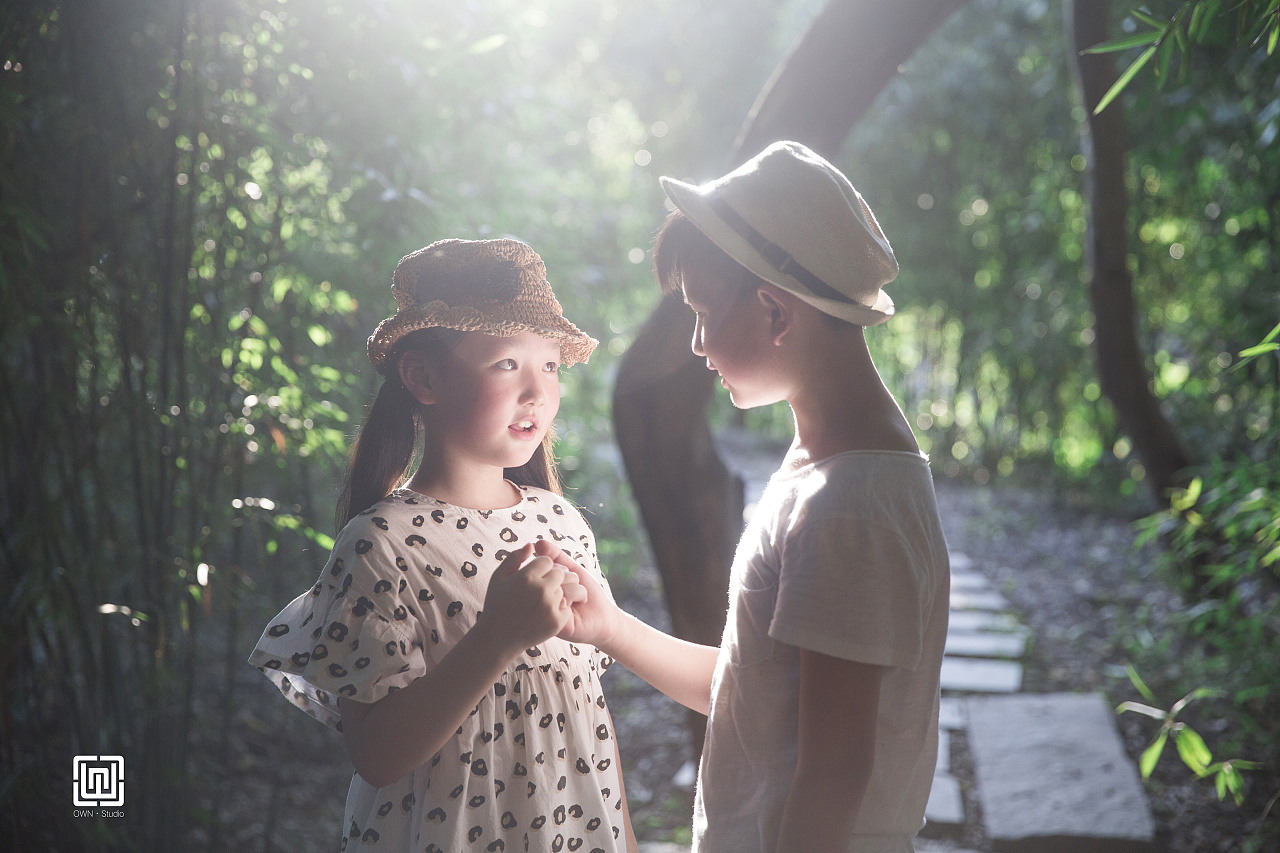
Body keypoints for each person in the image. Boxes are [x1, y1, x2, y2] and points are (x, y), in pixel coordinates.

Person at [556, 141, 951, 853]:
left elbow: (834, 773)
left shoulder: (849, 508)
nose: (698, 345)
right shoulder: (822, 468)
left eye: (704, 315)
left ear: (775, 312)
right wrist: (611, 626)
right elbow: (755, 696)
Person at [248, 238, 638, 853]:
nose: (538, 390)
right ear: (424, 378)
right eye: (508, 363)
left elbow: (587, 715)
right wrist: (496, 637)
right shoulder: (381, 544)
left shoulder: (560, 523)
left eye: (552, 366)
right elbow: (377, 756)